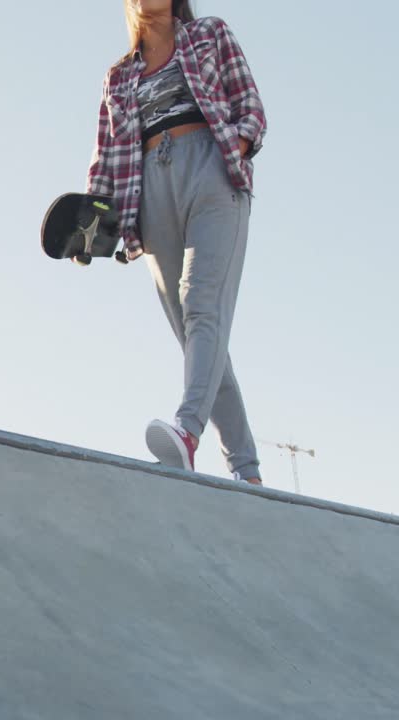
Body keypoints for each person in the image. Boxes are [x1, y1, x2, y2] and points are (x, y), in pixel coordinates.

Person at [86, 0, 266, 484]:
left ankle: (186, 432)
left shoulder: (210, 34)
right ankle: (247, 471)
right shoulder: (118, 77)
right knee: (195, 332)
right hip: (148, 188)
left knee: (202, 303)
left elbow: (250, 107)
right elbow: (105, 157)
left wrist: (233, 151)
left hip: (211, 170)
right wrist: (89, 221)